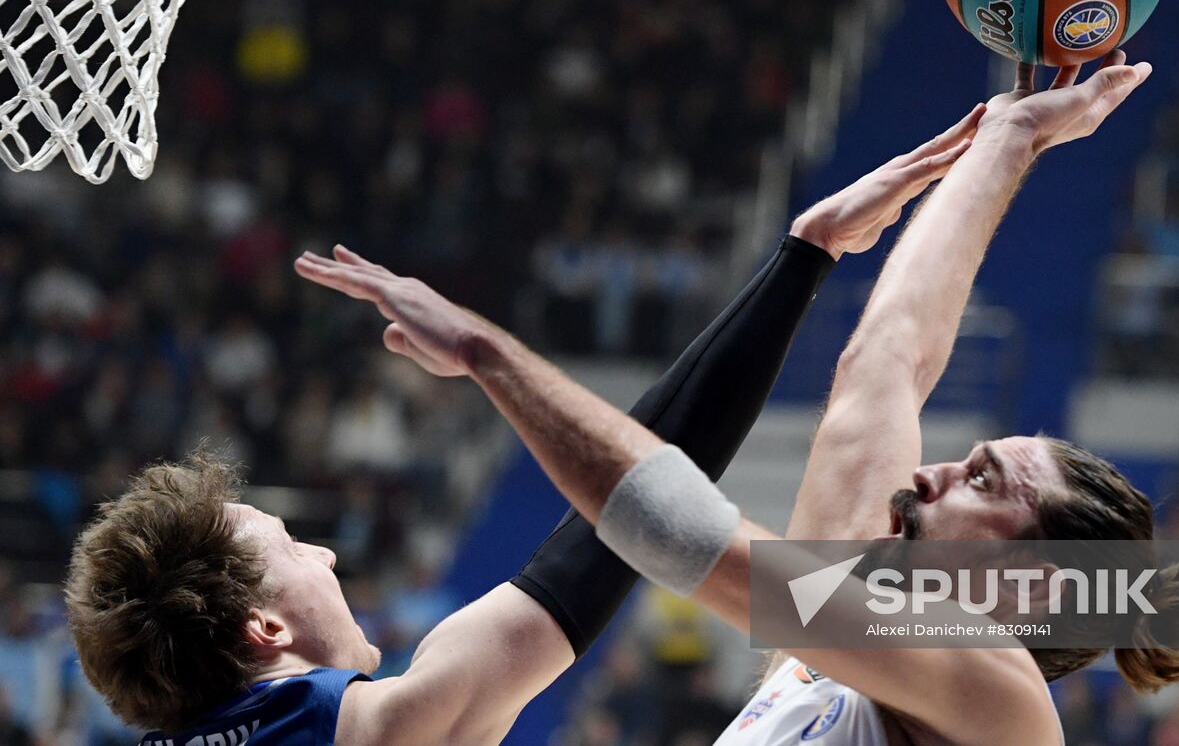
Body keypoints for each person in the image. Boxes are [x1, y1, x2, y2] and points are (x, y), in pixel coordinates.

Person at [300, 52, 1179, 746]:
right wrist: (1004, 139)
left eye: (980, 479)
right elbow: (886, 363)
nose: (929, 471)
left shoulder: (993, 689)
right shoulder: (833, 654)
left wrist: (486, 352)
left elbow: (679, 532)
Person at [63, 126, 975, 745]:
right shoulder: (966, 628)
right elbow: (651, 523)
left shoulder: (913, 633)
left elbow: (876, 380)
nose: (331, 558)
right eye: (296, 548)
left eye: (993, 475)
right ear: (264, 629)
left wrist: (822, 245)